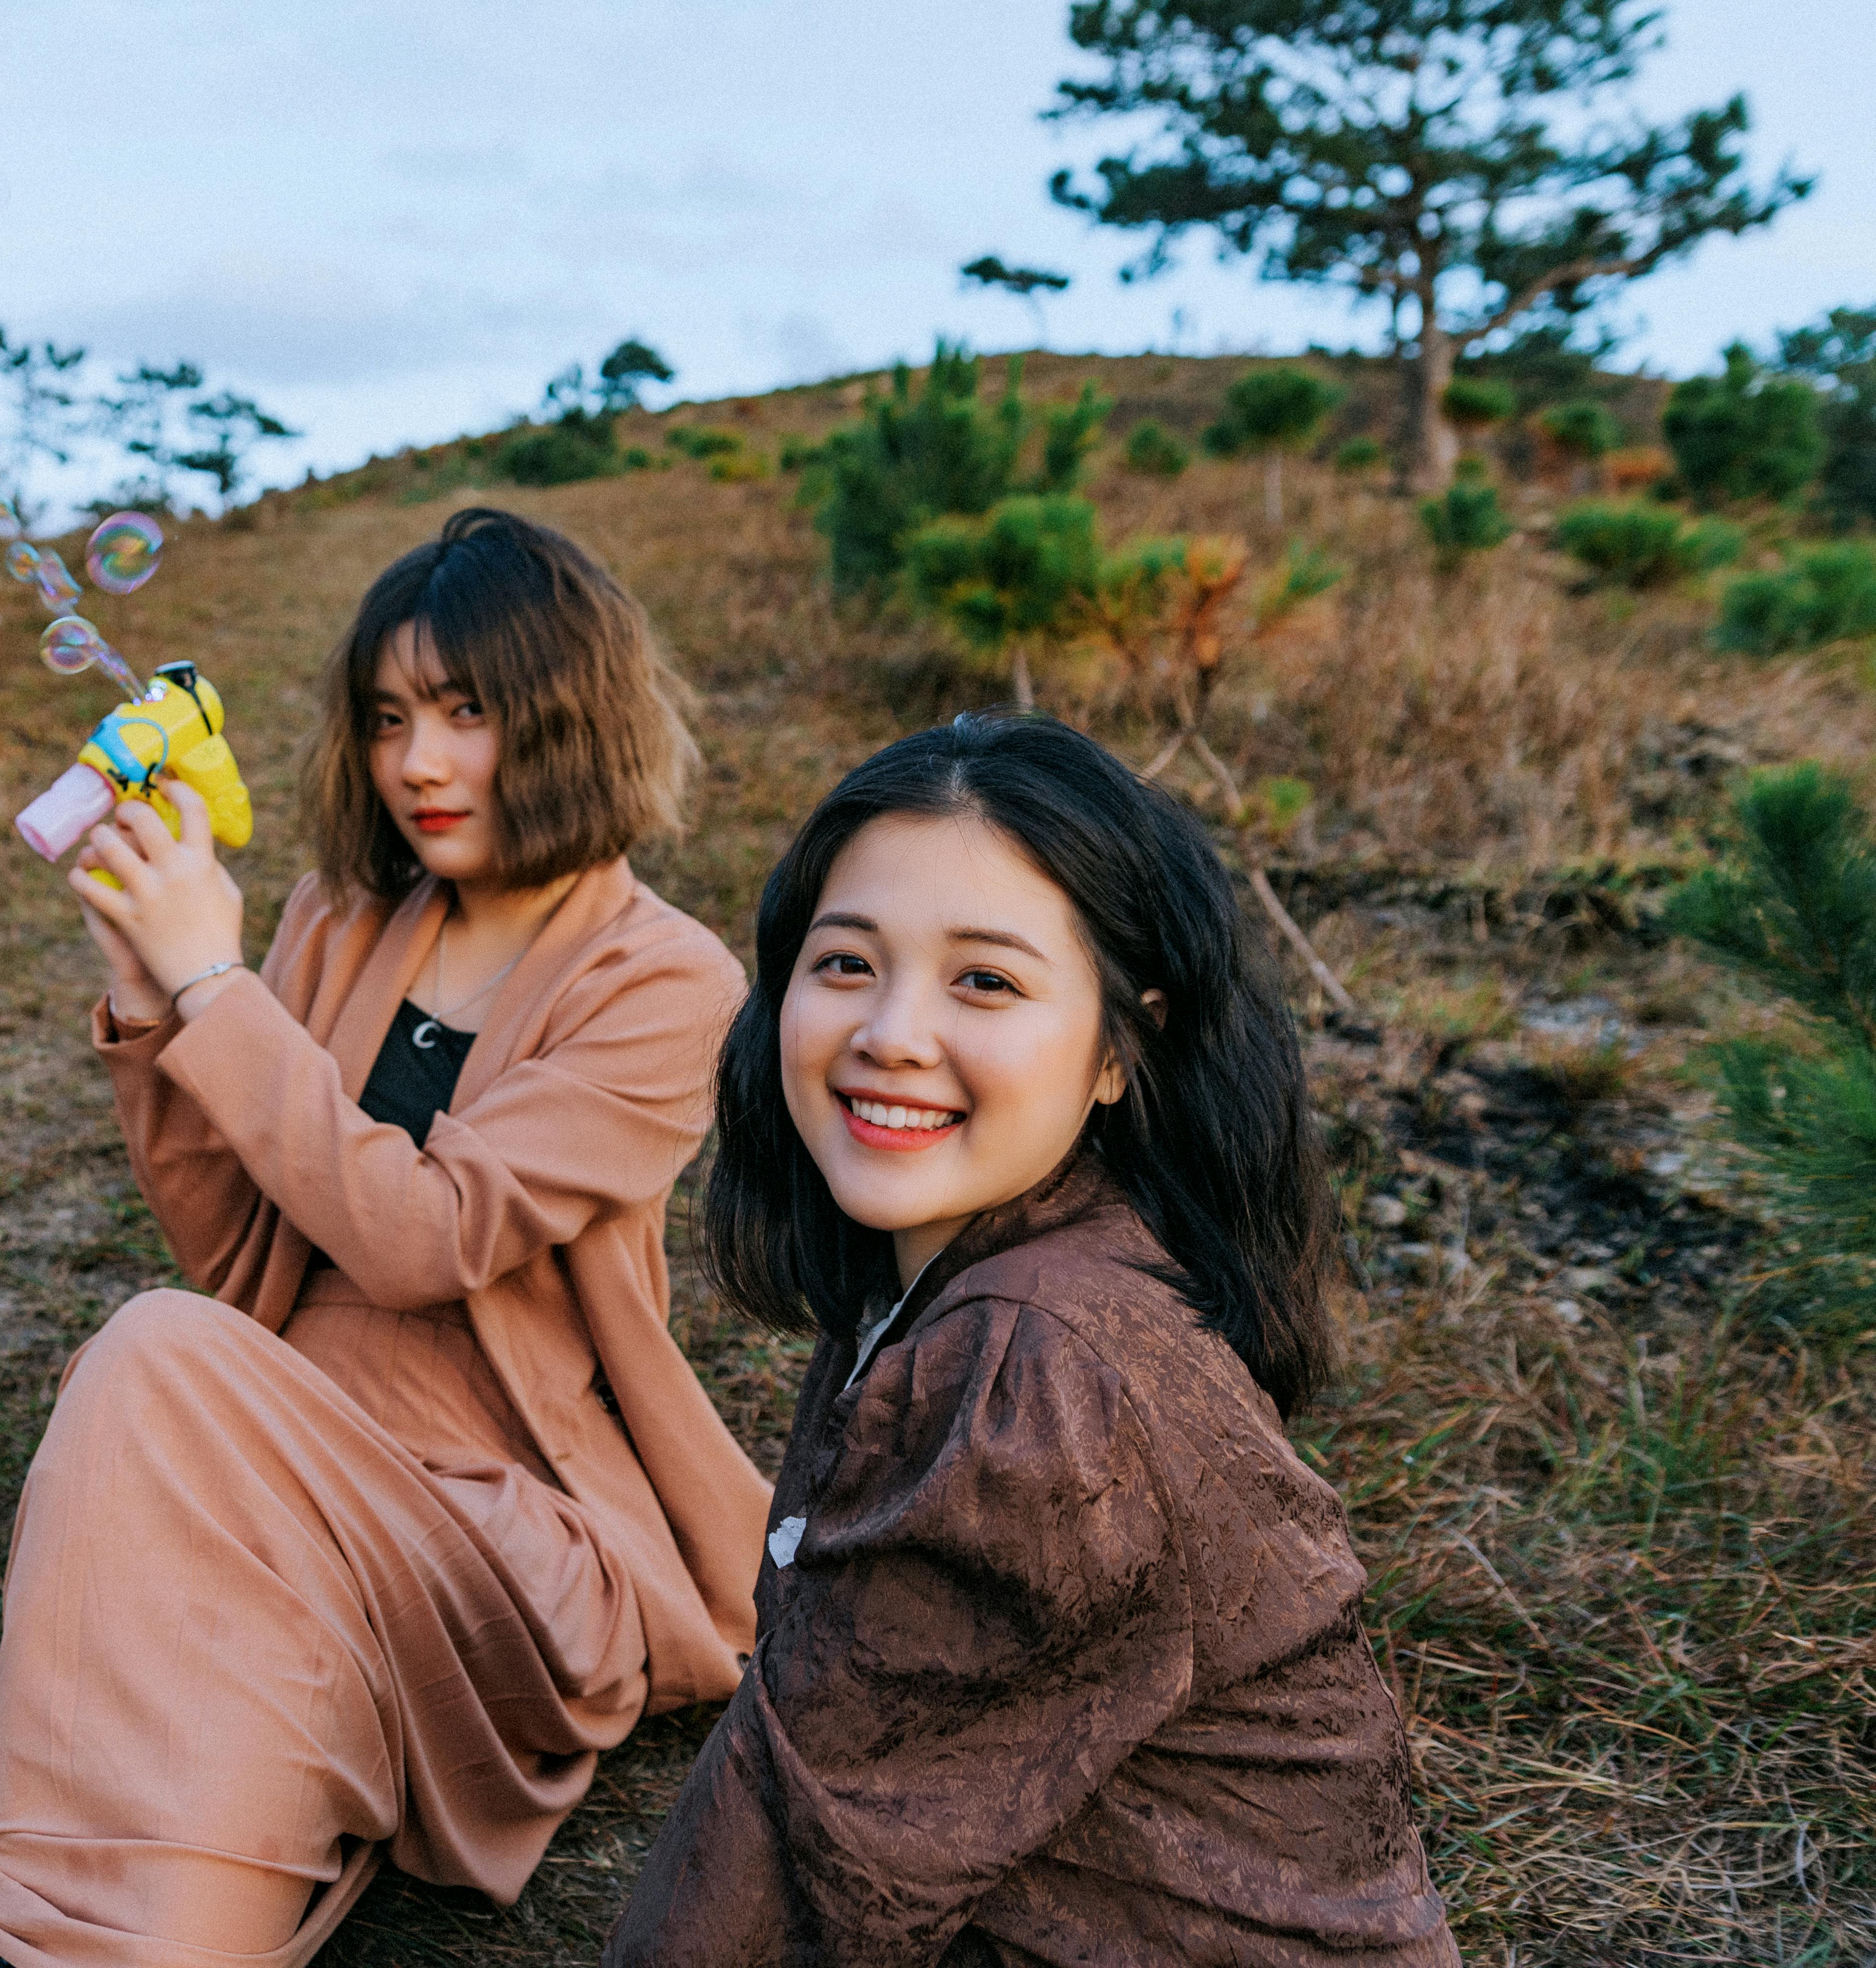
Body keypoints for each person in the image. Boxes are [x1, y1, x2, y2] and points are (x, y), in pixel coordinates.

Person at [0, 507, 771, 1968]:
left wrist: (215, 985)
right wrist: (153, 997)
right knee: (219, 1660)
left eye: (470, 713)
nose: (418, 763)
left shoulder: (668, 982)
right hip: (291, 1460)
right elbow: (243, 1249)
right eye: (391, 716)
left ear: (569, 715)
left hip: (506, 1524)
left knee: (150, 1368)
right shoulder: (338, 917)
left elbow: (423, 1236)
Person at [609, 714, 1458, 1967]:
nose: (891, 1032)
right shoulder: (976, 1272)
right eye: (844, 963)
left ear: (1121, 1048)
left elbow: (799, 1836)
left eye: (985, 981)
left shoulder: (1035, 1361)